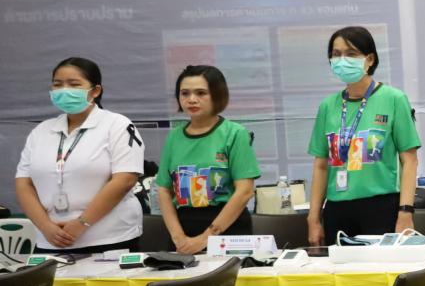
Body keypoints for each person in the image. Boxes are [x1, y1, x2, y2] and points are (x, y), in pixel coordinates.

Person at [14, 57, 145, 254]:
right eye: (57, 84)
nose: (64, 90)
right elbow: (24, 183)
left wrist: (82, 223)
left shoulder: (117, 125)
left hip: (109, 237)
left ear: (95, 91)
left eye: (74, 84)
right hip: (50, 239)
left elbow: (125, 179)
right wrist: (45, 226)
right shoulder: (41, 131)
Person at [306, 26, 421, 245]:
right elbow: (321, 166)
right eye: (336, 54)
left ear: (369, 59)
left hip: (380, 207)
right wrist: (313, 218)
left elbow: (410, 161)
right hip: (337, 209)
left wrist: (406, 212)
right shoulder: (328, 106)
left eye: (351, 54)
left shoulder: (394, 99)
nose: (342, 60)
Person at [155, 65, 261, 254]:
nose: (191, 99)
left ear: (217, 95)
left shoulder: (235, 133)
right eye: (185, 93)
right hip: (182, 229)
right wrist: (178, 237)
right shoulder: (174, 137)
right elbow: (164, 189)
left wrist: (205, 239)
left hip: (227, 228)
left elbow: (244, 191)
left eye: (201, 93)